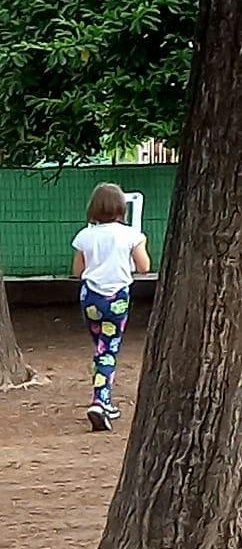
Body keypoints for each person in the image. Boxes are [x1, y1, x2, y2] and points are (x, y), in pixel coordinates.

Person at [71, 183, 150, 432]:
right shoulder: (131, 235)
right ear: (121, 207)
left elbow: (77, 271)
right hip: (117, 298)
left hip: (90, 298)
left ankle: (103, 397)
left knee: (101, 347)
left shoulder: (84, 236)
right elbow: (144, 266)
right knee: (108, 349)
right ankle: (101, 401)